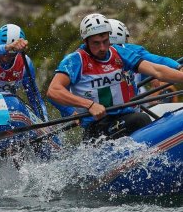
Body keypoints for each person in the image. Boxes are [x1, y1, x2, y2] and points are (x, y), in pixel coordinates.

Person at [47, 13, 183, 141]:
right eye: (96, 43)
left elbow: (156, 70)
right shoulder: (75, 60)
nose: (102, 48)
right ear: (86, 40)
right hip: (98, 128)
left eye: (105, 41)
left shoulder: (119, 53)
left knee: (140, 118)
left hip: (126, 117)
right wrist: (89, 105)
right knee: (140, 119)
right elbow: (53, 91)